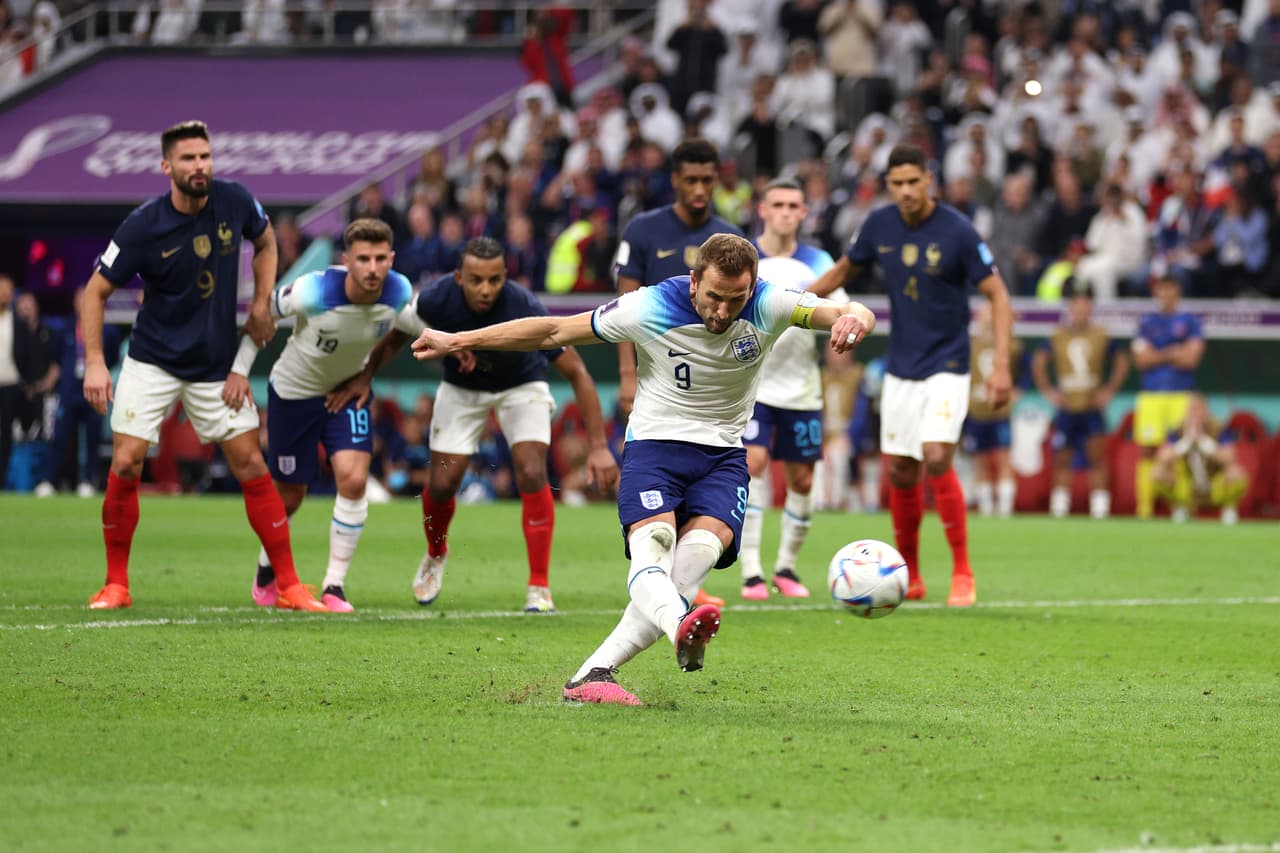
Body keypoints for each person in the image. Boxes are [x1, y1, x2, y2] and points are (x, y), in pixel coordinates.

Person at [410, 233, 876, 705]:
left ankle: (592, 675)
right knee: (655, 547)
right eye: (713, 296)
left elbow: (849, 311)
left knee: (693, 565)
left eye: (735, 299)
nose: (722, 311)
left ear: (752, 287)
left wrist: (856, 320)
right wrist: (459, 339)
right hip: (656, 448)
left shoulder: (769, 302)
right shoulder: (648, 306)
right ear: (694, 282)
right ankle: (680, 627)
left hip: (723, 456)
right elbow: (553, 331)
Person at [80, 120, 326, 611]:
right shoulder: (143, 225)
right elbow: (96, 291)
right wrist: (94, 362)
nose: (200, 167)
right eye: (189, 159)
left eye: (206, 157)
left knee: (251, 463)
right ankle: (116, 585)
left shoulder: (234, 200)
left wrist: (261, 303)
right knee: (127, 460)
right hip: (152, 362)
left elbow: (267, 241)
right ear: (167, 167)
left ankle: (289, 586)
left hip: (216, 366)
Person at [332, 237, 618, 613]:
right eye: (476, 280)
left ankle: (539, 585)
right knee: (442, 483)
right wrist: (364, 376)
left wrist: (598, 446)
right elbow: (395, 338)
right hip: (462, 390)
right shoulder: (435, 300)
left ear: (505, 277)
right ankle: (436, 553)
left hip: (522, 385)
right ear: (458, 277)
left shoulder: (523, 306)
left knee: (532, 470)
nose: (486, 289)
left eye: (495, 280)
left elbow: (578, 373)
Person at [809, 144, 1013, 607]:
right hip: (902, 365)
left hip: (949, 362)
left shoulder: (958, 231)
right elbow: (844, 270)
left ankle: (962, 571)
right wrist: (785, 304)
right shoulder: (879, 225)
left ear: (929, 180)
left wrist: (1000, 364)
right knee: (901, 469)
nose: (905, 191)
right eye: (896, 184)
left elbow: (998, 295)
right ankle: (912, 574)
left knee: (937, 455)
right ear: (889, 186)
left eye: (912, 182)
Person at [229, 218, 414, 613]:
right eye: (363, 258)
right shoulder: (313, 291)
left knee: (354, 478)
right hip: (293, 394)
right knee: (291, 495)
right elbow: (261, 318)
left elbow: (410, 326)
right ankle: (267, 569)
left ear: (391, 259)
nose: (372, 267)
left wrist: (366, 374)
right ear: (347, 260)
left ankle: (335, 586)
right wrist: (239, 371)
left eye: (381, 258)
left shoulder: (399, 291)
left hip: (346, 395)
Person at [613, 137, 743, 609]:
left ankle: (679, 581)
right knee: (651, 472)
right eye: (691, 180)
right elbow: (623, 309)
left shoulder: (728, 238)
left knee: (702, 489)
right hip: (655, 385)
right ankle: (656, 570)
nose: (700, 189)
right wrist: (627, 375)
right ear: (675, 180)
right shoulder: (645, 230)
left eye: (707, 180)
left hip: (709, 392)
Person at [739, 178, 839, 601]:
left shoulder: (819, 260)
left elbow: (839, 310)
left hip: (802, 388)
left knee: (801, 479)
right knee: (753, 465)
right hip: (753, 386)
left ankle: (786, 567)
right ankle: (751, 573)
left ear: (803, 213)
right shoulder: (744, 256)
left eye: (793, 205)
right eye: (776, 204)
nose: (784, 211)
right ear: (762, 209)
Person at [1031, 281, 1130, 520]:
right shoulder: (1058, 336)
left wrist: (1108, 390)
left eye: (1086, 304)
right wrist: (1049, 392)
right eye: (1076, 304)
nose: (1081, 309)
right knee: (1062, 457)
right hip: (1067, 407)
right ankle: (1060, 506)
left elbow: (1122, 361)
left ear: (1091, 307)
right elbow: (1038, 362)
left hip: (1091, 407)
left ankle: (1100, 507)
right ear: (1070, 307)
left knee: (1097, 457)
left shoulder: (1101, 335)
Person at [1131, 272, 1205, 519]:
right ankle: (1145, 508)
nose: (1166, 293)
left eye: (1171, 288)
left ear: (1178, 291)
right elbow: (1141, 360)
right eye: (1162, 288)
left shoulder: (1190, 321)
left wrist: (1158, 354)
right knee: (1148, 451)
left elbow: (1191, 359)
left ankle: (1182, 507)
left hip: (1180, 396)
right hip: (1152, 395)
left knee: (1182, 450)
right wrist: (1173, 351)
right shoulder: (1146, 323)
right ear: (1156, 291)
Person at [961, 303, 1023, 518]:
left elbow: (1024, 367)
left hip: (1000, 411)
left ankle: (1005, 507)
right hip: (976, 410)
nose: (987, 320)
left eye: (991, 315)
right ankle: (987, 508)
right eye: (984, 315)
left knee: (1004, 457)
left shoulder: (1008, 345)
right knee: (979, 459)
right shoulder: (968, 345)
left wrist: (1018, 390)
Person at [1152, 394, 1248, 525]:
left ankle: (1228, 508)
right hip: (1188, 485)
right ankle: (1181, 506)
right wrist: (1185, 443)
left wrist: (1204, 443)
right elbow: (1162, 458)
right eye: (1192, 410)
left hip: (1214, 484)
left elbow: (1230, 458)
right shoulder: (1177, 431)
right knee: (1157, 473)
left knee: (1237, 473)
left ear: (1207, 412)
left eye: (1199, 410)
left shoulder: (1219, 430)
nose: (1196, 415)